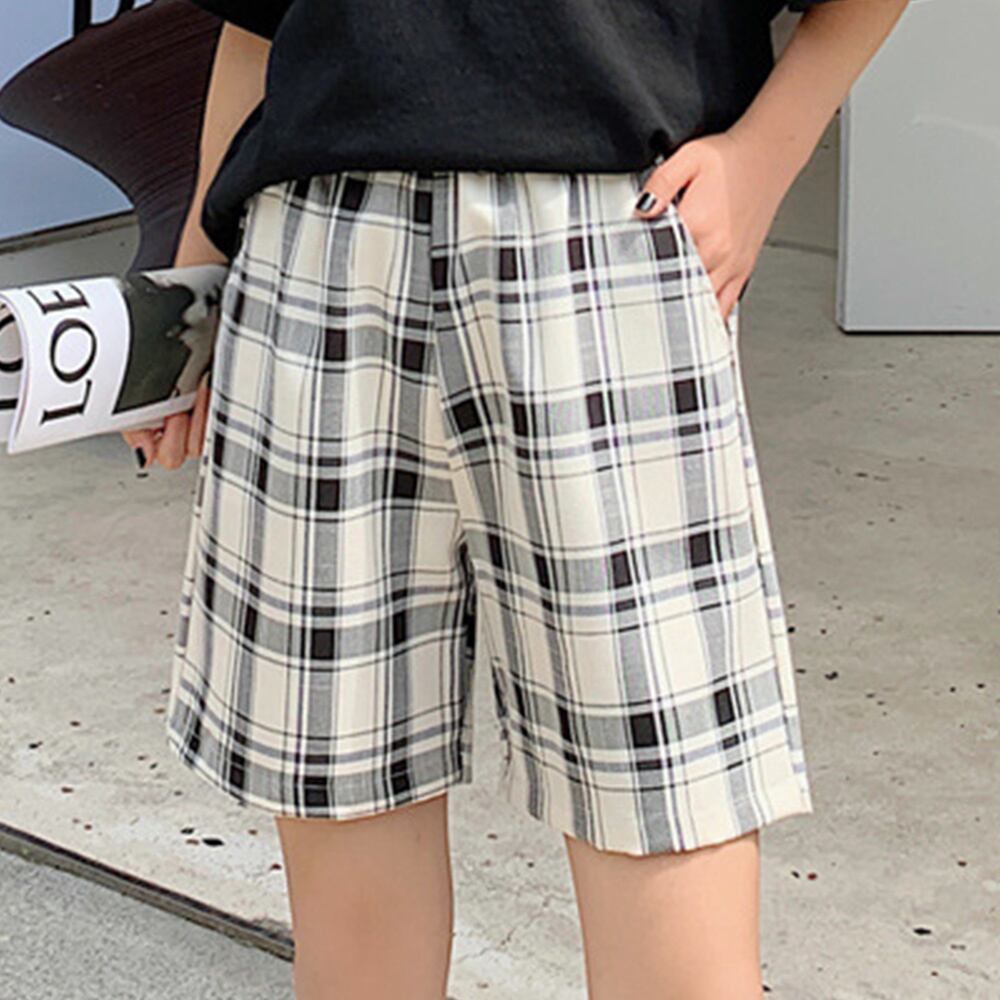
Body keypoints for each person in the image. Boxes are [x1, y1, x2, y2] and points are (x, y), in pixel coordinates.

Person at [123, 2, 909, 997]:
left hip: (606, 229)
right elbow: (258, 22)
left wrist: (763, 158)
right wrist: (190, 289)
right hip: (318, 238)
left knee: (665, 825)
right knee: (343, 839)